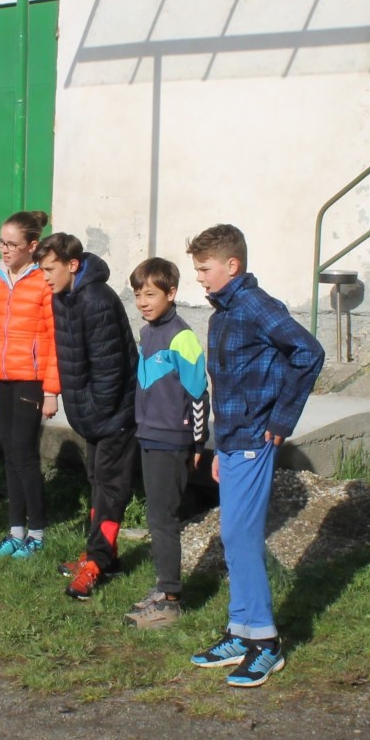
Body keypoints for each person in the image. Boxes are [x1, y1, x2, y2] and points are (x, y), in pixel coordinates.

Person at [185, 224, 322, 688]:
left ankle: (265, 642)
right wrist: (219, 445)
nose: (199, 277)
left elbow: (308, 352)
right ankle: (240, 632)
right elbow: (228, 382)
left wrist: (281, 419)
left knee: (241, 538)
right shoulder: (223, 311)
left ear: (232, 265)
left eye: (204, 268)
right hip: (232, 440)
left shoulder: (256, 306)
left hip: (254, 439)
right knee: (233, 536)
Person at [32, 232, 139, 599]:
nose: (45, 277)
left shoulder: (96, 300)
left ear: (73, 264)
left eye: (50, 269)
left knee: (110, 489)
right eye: (42, 270)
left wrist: (94, 412)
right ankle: (103, 554)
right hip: (93, 416)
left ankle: (96, 562)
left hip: (114, 416)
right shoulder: (64, 296)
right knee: (98, 482)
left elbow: (110, 371)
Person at [125, 257, 208, 628]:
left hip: (171, 440)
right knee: (156, 516)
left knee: (163, 520)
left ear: (171, 293)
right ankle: (162, 588)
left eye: (150, 295)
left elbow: (198, 392)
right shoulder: (148, 333)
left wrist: (197, 443)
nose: (142, 302)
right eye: (138, 295)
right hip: (148, 434)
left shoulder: (182, 337)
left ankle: (170, 601)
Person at [0, 210, 62, 559]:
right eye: (1, 242)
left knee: (25, 455)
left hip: (30, 380)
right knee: (10, 455)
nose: (5, 249)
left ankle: (36, 533)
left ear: (31, 246)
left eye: (12, 244)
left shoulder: (43, 282)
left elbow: (54, 339)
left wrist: (51, 390)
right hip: (0, 379)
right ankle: (15, 532)